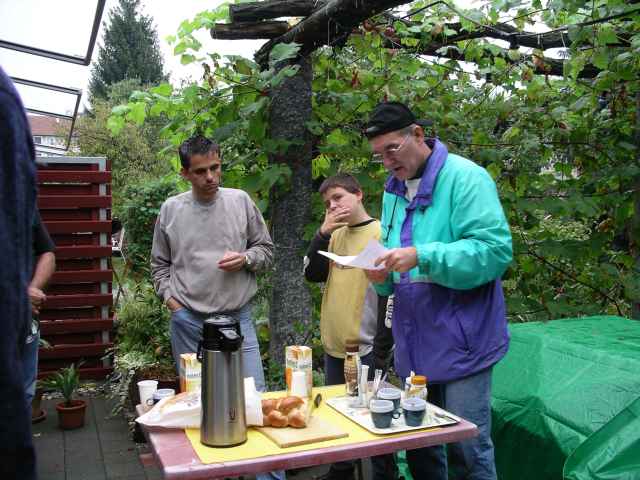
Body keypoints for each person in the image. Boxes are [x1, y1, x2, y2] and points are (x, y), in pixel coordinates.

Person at [364, 101, 513, 480]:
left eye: (392, 149)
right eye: (378, 155)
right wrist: (378, 273)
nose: (386, 162)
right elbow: (398, 262)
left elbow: (494, 253)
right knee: (421, 446)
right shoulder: (393, 190)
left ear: (417, 134)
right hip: (414, 343)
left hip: (464, 342)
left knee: (468, 450)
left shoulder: (466, 178)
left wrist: (422, 256)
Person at [150, 135, 283, 480]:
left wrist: (246, 258)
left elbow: (266, 251)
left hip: (236, 319)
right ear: (185, 174)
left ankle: (267, 476)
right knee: (196, 407)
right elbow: (159, 266)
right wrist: (172, 302)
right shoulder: (171, 210)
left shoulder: (240, 202)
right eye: (200, 171)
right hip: (189, 320)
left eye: (215, 168)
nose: (210, 177)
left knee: (254, 402)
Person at [304, 173, 397, 480]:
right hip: (334, 342)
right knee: (339, 412)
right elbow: (313, 273)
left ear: (358, 195)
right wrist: (322, 232)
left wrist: (384, 345)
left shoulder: (381, 233)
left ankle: (385, 475)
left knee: (373, 417)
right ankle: (341, 470)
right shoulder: (335, 234)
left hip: (365, 343)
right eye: (327, 203)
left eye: (338, 198)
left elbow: (391, 295)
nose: (333, 206)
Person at [0, 64, 38, 479]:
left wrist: (28, 287)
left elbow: (47, 253)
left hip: (18, 322)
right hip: (186, 315)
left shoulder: (3, 103)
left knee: (24, 390)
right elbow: (159, 263)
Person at [24, 210, 56, 408]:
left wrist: (33, 288)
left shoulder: (23, 206)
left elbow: (47, 252)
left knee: (25, 393)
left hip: (26, 325)